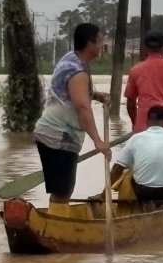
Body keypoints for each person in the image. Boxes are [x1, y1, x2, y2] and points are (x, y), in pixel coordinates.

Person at [33, 23, 111, 207]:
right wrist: (98, 141)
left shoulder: (72, 59)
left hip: (52, 132)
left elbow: (72, 92)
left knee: (62, 189)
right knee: (63, 190)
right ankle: (56, 221)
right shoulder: (77, 70)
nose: (102, 45)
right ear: (90, 43)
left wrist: (95, 95)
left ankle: (55, 216)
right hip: (58, 135)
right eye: (100, 41)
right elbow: (83, 107)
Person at [109, 105, 163, 205]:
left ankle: (146, 207)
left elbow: (117, 167)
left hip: (144, 191)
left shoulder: (135, 138)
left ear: (147, 121)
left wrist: (104, 194)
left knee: (129, 173)